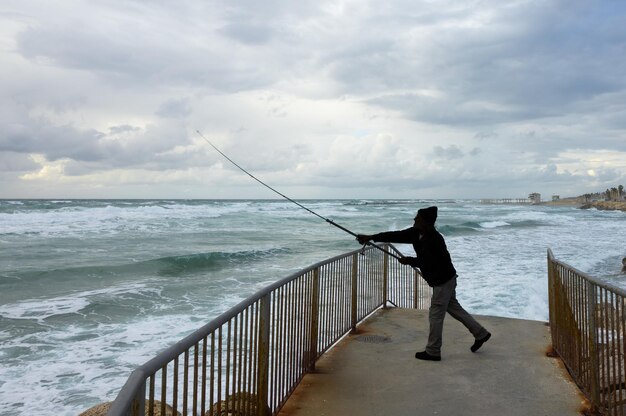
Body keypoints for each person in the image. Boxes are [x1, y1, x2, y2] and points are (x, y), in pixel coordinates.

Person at [357, 206, 491, 361]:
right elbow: (397, 235)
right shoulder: (416, 233)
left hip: (443, 281)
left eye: (417, 218)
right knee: (453, 307)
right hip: (447, 279)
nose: (414, 219)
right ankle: (481, 334)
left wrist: (409, 261)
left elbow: (429, 262)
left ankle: (433, 351)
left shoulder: (434, 239)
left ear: (425, 222)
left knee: (435, 315)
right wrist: (371, 237)